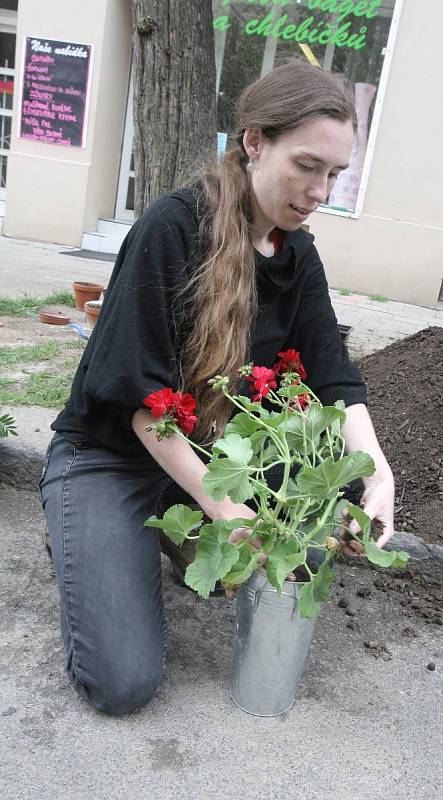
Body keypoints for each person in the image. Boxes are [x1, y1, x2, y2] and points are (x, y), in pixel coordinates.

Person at [39, 58, 395, 716]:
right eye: (306, 165)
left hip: (210, 460)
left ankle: (174, 533)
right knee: (123, 684)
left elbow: (334, 376)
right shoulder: (171, 229)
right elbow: (142, 405)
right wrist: (226, 509)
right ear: (256, 140)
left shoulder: (296, 254)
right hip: (111, 456)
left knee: (334, 489)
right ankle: (87, 530)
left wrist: (375, 474)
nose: (318, 190)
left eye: (333, 174)